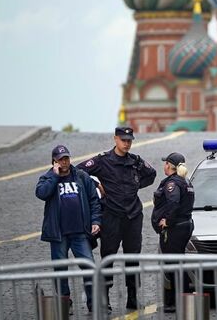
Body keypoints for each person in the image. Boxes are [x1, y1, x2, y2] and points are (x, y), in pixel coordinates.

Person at [76, 126, 156, 310]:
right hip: (111, 215)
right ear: (115, 139)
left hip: (133, 215)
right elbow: (79, 171)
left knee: (133, 257)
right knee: (108, 257)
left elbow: (151, 175)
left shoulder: (135, 161)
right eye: (123, 140)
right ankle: (105, 300)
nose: (127, 143)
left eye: (129, 140)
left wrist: (135, 185)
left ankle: (133, 297)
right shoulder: (103, 161)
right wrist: (97, 185)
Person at [35, 144, 102, 313]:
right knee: (60, 270)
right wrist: (54, 177)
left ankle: (93, 303)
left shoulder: (81, 176)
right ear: (54, 162)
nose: (64, 162)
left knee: (89, 267)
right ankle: (65, 303)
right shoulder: (47, 178)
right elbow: (41, 193)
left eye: (66, 158)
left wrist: (96, 221)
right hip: (59, 234)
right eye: (60, 160)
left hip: (80, 232)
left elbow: (94, 199)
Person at [151, 152, 195, 313]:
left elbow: (174, 203)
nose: (164, 166)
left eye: (165, 163)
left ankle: (177, 302)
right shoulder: (185, 181)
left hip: (175, 229)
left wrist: (167, 221)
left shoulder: (173, 183)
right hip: (185, 225)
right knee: (178, 263)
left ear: (169, 165)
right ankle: (182, 300)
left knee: (173, 264)